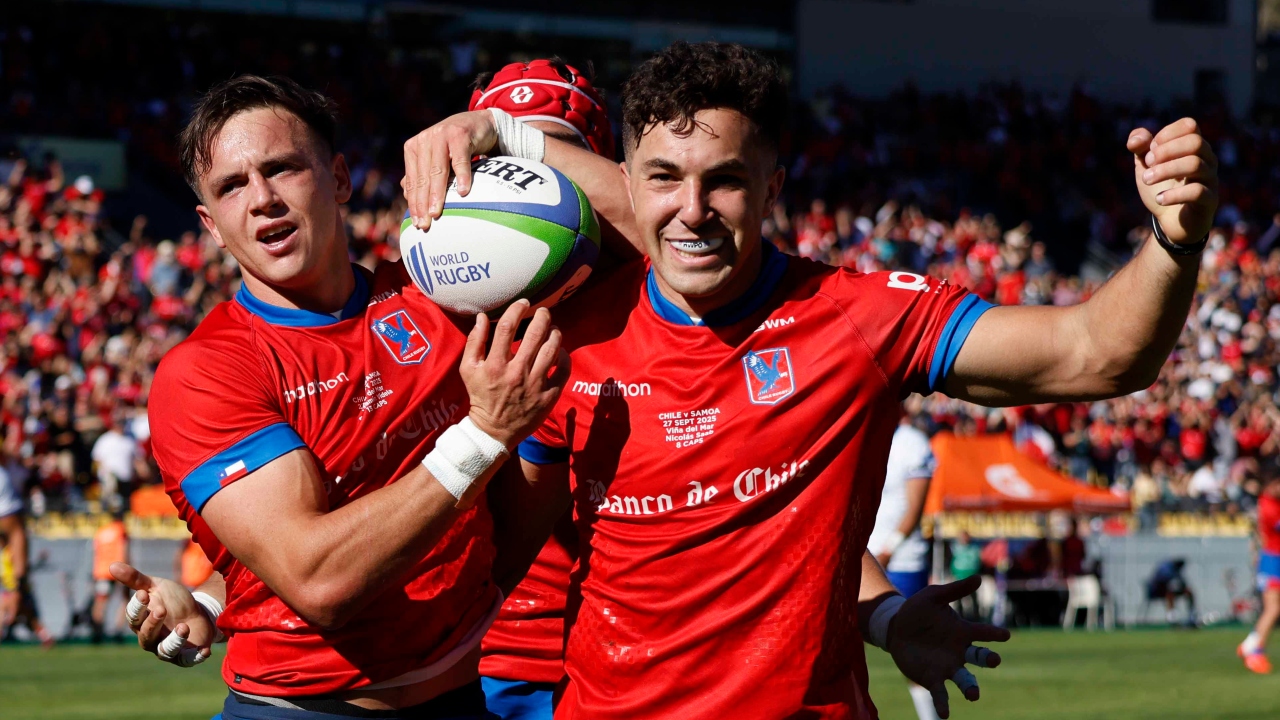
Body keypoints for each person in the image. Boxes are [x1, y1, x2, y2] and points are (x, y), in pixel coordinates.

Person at [401, 39, 1217, 720]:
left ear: (774, 186)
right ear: (625, 177)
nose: (692, 209)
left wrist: (1171, 242)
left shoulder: (858, 316)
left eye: (723, 179)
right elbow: (502, 563)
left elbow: (1096, 354)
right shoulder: (563, 342)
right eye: (662, 178)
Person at [123, 74, 568, 719]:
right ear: (211, 225)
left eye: (282, 169)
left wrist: (509, 134)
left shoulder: (443, 300)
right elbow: (320, 580)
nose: (262, 199)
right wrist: (485, 435)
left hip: (464, 699)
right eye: (232, 186)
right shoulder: (206, 372)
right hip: (302, 710)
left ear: (338, 178)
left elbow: (643, 231)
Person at [466, 58, 617, 720]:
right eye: (507, 153)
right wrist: (213, 595)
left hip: (616, 663)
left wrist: (882, 611)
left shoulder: (665, 296)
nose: (537, 178)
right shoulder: (425, 301)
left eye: (559, 152)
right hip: (466, 661)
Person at [867, 418, 940, 720]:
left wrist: (885, 551)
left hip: (900, 561)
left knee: (910, 646)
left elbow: (915, 509)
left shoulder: (912, 443)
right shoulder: (862, 432)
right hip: (861, 557)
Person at [0, 459, 54, 647]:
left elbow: (15, 533)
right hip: (10, 577)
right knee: (21, 607)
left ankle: (41, 633)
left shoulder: (3, 478)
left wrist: (18, 580)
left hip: (11, 578)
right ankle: (42, 634)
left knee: (17, 604)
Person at [1239, 467, 1280, 673]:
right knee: (1272, 608)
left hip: (1273, 558)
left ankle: (1249, 645)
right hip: (1273, 560)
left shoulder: (1271, 501)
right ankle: (1255, 653)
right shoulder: (1269, 505)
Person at [89, 508, 130, 643]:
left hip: (101, 571)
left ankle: (97, 631)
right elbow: (123, 551)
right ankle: (118, 631)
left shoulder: (101, 531)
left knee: (100, 602)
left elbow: (96, 552)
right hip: (118, 569)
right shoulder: (121, 530)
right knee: (125, 600)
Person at [1146, 558, 1197, 627]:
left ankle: (1192, 616)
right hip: (1156, 591)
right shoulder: (1165, 567)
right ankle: (1172, 616)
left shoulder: (1176, 570)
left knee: (1188, 592)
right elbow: (1164, 580)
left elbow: (1181, 582)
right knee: (1170, 593)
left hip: (1169, 590)